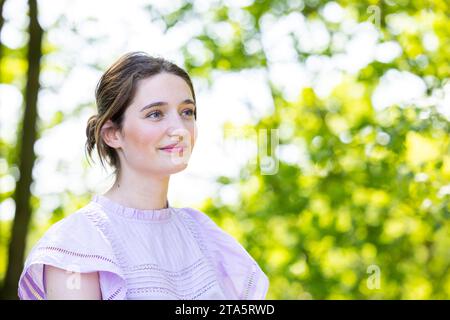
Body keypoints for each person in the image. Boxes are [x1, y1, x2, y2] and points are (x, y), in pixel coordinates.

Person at [17, 52, 269, 300]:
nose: (180, 129)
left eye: (187, 112)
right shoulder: (75, 244)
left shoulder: (203, 234)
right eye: (155, 114)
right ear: (112, 134)